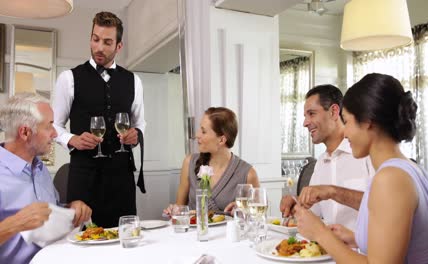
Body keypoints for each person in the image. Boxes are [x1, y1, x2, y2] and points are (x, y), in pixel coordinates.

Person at [294, 73, 428, 263]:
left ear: (367, 122)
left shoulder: (390, 178)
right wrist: (356, 237)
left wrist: (321, 234)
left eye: (347, 121)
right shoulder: (412, 170)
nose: (345, 132)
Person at [53, 11, 146, 228]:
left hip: (121, 178)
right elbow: (54, 125)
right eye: (95, 39)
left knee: (124, 238)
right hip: (83, 177)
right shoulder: (68, 79)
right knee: (83, 243)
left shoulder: (134, 81)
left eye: (107, 42)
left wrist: (136, 135)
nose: (99, 47)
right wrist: (71, 139)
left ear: (119, 46)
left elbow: (140, 123)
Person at [0, 93, 92, 264]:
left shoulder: (40, 168)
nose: (55, 133)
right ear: (25, 132)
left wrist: (70, 208)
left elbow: (49, 213)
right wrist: (16, 223)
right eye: (49, 126)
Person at [280, 85, 374, 231]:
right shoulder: (320, 163)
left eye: (311, 114)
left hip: (364, 250)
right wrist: (296, 204)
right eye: (305, 116)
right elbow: (313, 213)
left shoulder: (367, 154)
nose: (305, 123)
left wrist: (333, 191)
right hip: (327, 250)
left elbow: (385, 206)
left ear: (334, 112)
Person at [164, 107, 260, 215]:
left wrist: (243, 210)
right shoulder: (189, 163)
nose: (197, 135)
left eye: (203, 131)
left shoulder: (248, 174)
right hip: (194, 232)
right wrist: (174, 210)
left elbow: (257, 218)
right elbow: (180, 209)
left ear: (221, 140)